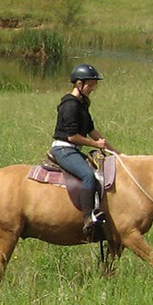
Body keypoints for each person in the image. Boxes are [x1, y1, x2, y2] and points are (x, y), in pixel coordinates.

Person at [51, 63, 113, 237]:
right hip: (64, 149)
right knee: (88, 175)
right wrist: (96, 145)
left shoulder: (82, 104)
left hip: (74, 149)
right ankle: (88, 218)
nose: (93, 88)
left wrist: (114, 151)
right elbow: (72, 136)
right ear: (79, 84)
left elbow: (92, 130)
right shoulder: (70, 105)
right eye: (91, 84)